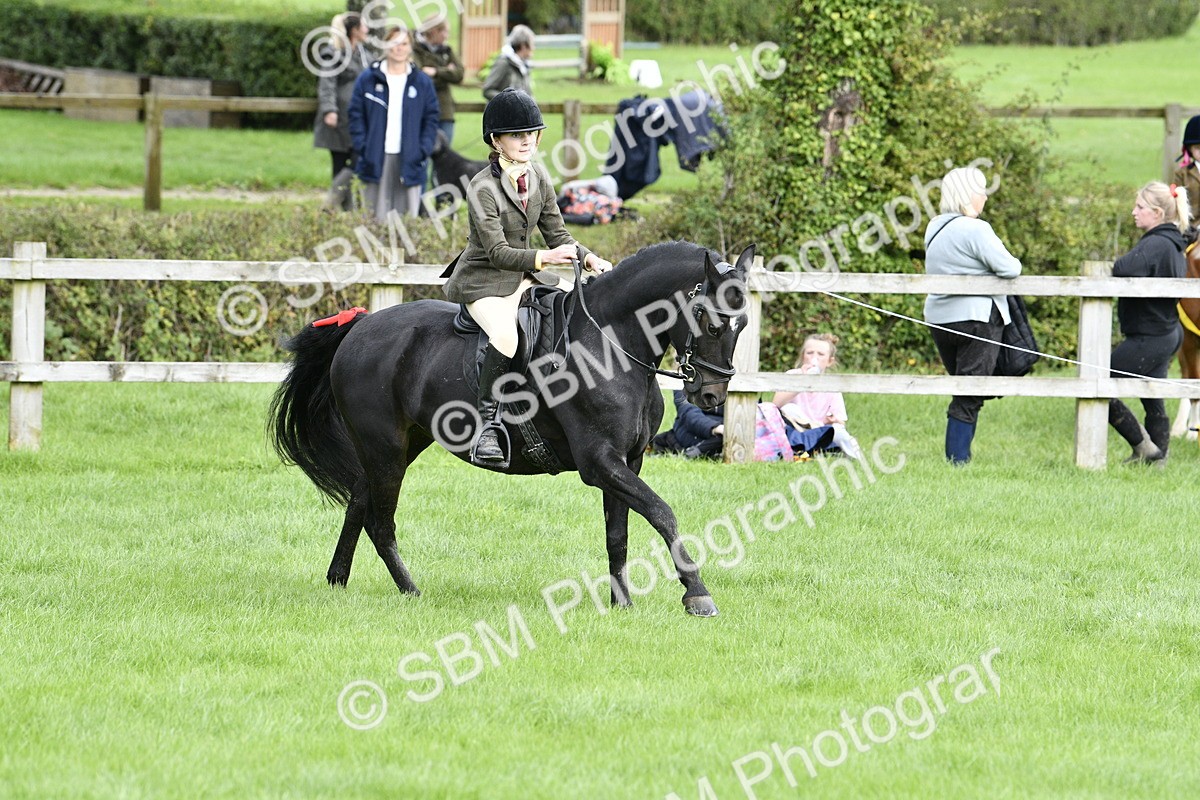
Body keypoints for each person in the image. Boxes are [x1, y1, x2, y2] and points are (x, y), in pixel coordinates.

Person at [442, 88, 613, 466]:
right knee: (505, 335)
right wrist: (545, 258)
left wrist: (589, 258)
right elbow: (497, 253)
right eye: (517, 135)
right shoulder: (481, 187)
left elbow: (558, 234)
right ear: (496, 141)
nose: (527, 141)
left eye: (532, 134)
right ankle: (487, 427)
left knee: (579, 306)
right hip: (483, 280)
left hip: (523, 276)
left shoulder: (538, 176)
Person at [923, 165, 1022, 465]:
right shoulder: (976, 229)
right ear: (968, 195)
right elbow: (1011, 268)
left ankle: (960, 459)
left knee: (963, 388)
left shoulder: (934, 226)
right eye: (981, 191)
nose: (985, 198)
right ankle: (958, 461)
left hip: (940, 319)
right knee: (969, 393)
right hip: (977, 318)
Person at [1107, 181, 1189, 464]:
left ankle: (1145, 448)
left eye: (1140, 207)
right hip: (1166, 332)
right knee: (1152, 394)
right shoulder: (1173, 243)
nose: (1134, 212)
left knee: (1098, 383)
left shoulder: (1157, 243)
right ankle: (1159, 457)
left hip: (1150, 336)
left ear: (1157, 213)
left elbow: (1123, 267)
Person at [348, 25, 440, 221]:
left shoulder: (422, 82)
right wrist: (363, 146)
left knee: (405, 221)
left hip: (410, 158)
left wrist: (422, 149)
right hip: (375, 157)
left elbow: (431, 118)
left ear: (410, 47)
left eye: (404, 43)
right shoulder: (368, 79)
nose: (399, 48)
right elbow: (356, 115)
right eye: (394, 43)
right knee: (373, 220)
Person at [312, 13, 372, 211]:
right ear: (354, 30)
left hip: (360, 119)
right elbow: (326, 84)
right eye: (364, 26)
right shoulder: (333, 53)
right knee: (339, 163)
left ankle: (335, 203)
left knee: (358, 159)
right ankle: (344, 210)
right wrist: (329, 110)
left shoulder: (364, 55)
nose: (367, 30)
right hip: (339, 119)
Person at [771, 333, 863, 460]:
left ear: (829, 361)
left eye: (820, 354)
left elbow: (841, 421)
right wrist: (802, 382)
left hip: (820, 430)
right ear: (803, 356)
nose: (814, 358)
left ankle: (855, 458)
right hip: (796, 431)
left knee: (839, 431)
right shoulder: (792, 375)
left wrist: (832, 420)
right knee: (789, 409)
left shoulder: (832, 385)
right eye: (810, 353)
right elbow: (775, 404)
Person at [412, 14, 464, 151]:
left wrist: (436, 71)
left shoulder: (447, 51)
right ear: (434, 31)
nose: (447, 36)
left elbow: (459, 74)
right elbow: (419, 78)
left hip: (445, 110)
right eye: (445, 31)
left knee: (445, 153)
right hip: (422, 109)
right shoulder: (415, 50)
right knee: (422, 153)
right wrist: (447, 72)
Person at [481, 25, 535, 100]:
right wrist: (509, 101)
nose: (533, 48)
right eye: (532, 44)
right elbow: (487, 90)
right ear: (523, 45)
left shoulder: (524, 65)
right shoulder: (504, 62)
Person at [1172, 114, 1200, 229]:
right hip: (1191, 227)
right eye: (1198, 148)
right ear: (1190, 149)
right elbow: (1176, 202)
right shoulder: (1182, 174)